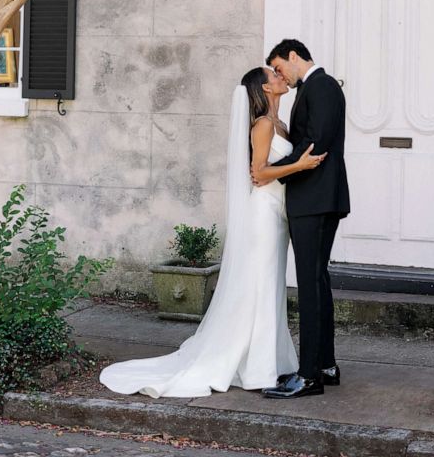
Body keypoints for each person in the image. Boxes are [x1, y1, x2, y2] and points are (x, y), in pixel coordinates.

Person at [99, 66, 325, 399]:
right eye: (274, 75)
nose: (280, 76)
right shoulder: (262, 126)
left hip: (278, 216)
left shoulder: (281, 124)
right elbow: (260, 172)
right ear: (264, 88)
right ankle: (257, 368)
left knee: (272, 286)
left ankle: (269, 360)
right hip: (262, 214)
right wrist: (300, 165)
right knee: (260, 285)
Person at [256, 39, 350, 400]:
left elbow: (315, 144)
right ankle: (325, 364)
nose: (280, 75)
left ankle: (309, 375)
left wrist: (269, 170)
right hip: (317, 198)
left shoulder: (321, 85)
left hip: (315, 199)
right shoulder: (314, 88)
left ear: (293, 56)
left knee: (310, 285)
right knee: (316, 280)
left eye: (280, 67)